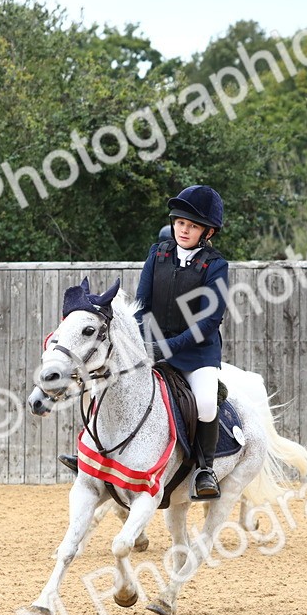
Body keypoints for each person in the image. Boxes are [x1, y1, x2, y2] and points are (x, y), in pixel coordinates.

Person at [59, 186, 230, 501]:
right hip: (151, 345)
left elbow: (209, 321)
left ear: (207, 231)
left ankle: (205, 469)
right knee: (105, 380)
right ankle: (91, 455)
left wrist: (168, 347)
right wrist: (138, 341)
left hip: (196, 353)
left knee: (206, 402)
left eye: (192, 226)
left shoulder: (215, 266)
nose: (184, 230)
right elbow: (143, 304)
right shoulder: (159, 254)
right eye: (180, 222)